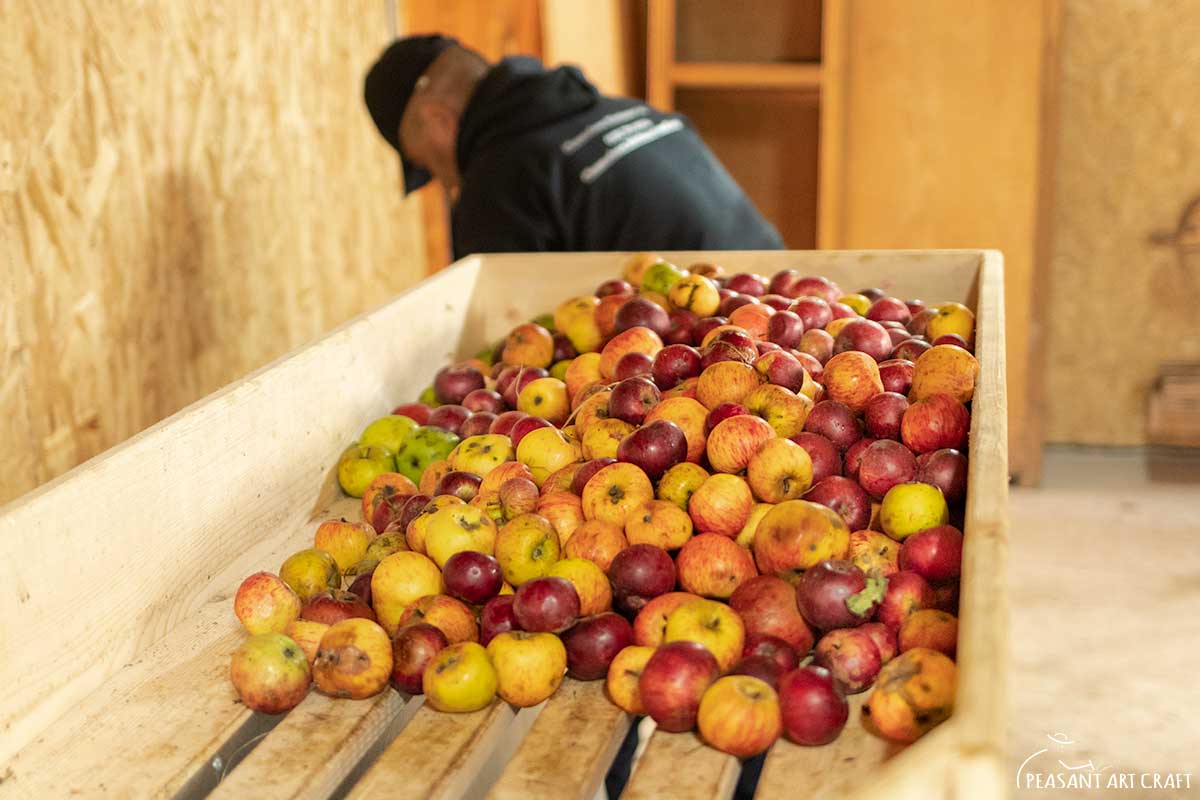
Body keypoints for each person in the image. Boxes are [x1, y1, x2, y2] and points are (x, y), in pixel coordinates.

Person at [364, 35, 784, 260]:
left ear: (439, 120)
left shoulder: (497, 188)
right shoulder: (623, 108)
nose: (443, 181)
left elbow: (505, 350)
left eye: (427, 164)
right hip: (795, 308)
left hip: (719, 357)